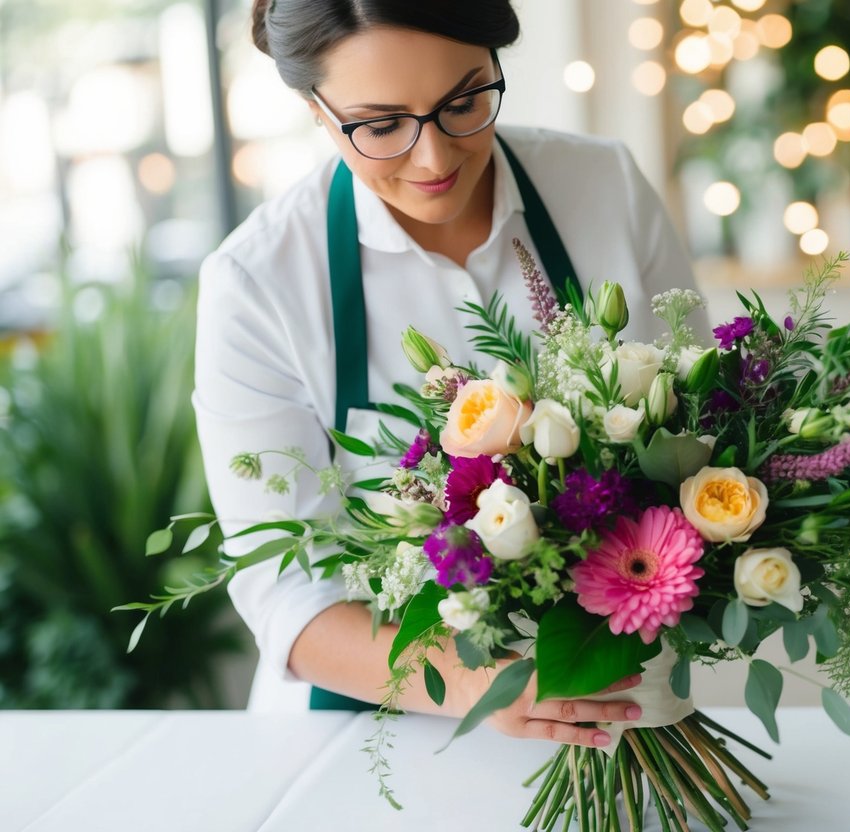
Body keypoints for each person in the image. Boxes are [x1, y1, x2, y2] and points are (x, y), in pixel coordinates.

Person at [194, 0, 700, 749]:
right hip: (367, 740)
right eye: (379, 124)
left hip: (614, 708)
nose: (433, 159)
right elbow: (282, 591)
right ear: (313, 109)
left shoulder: (606, 187)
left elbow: (693, 430)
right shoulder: (257, 282)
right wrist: (472, 683)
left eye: (464, 101)